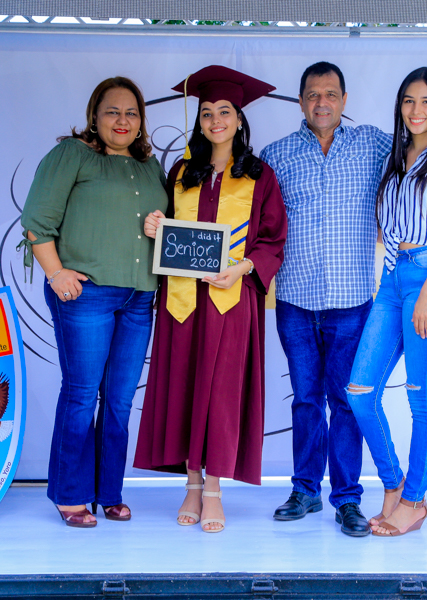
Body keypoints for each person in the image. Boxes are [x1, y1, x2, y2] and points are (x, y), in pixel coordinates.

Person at [260, 62, 427, 537]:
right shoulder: (281, 155)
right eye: (313, 94)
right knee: (330, 397)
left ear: (345, 100)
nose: (322, 102)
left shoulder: (378, 146)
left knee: (386, 399)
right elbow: (258, 218)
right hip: (317, 294)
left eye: (331, 94)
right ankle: (324, 490)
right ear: (300, 101)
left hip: (382, 291)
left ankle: (367, 499)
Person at [134, 65, 287, 533]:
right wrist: (154, 224)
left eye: (224, 111)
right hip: (182, 301)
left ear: (239, 119)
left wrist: (243, 268)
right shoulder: (182, 172)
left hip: (231, 300)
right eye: (206, 113)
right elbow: (165, 227)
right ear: (198, 121)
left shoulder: (260, 175)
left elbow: (273, 239)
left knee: (220, 391)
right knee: (185, 385)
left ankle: (215, 489)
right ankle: (192, 484)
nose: (215, 120)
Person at [19, 77, 168, 528]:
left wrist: (162, 224)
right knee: (82, 394)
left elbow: (166, 228)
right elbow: (37, 220)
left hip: (139, 297)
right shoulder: (72, 154)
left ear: (141, 120)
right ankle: (70, 494)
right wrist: (55, 272)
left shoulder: (150, 166)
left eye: (131, 113)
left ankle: (109, 493)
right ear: (94, 115)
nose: (123, 120)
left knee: (120, 400)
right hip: (87, 295)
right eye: (112, 111)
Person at [346, 66, 427, 537]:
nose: (416, 110)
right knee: (360, 392)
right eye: (408, 101)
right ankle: (394, 484)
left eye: (426, 101)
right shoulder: (395, 158)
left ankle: (415, 501)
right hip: (393, 277)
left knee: (421, 396)